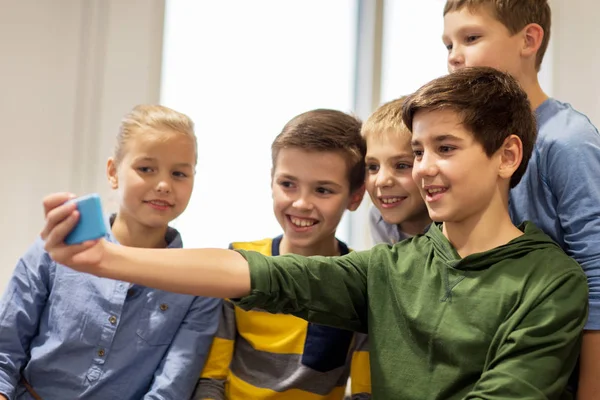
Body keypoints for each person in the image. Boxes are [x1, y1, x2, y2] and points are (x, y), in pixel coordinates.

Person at [40, 68, 588, 399]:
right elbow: (255, 273)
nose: (423, 169)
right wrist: (104, 259)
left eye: (445, 149)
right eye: (419, 151)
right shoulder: (392, 267)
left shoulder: (550, 282)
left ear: (507, 156)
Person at [0, 105, 221, 400]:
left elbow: (170, 389)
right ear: (113, 172)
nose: (164, 185)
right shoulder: (58, 249)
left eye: (180, 173)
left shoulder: (199, 284)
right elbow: (5, 349)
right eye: (146, 169)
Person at [442, 1, 600, 395]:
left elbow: (596, 275)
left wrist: (591, 390)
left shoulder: (566, 142)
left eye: (471, 38)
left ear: (528, 40)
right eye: (447, 45)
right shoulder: (471, 147)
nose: (454, 57)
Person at [193, 109, 371, 399]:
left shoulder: (362, 281)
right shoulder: (238, 262)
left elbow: (364, 394)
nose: (301, 203)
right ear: (271, 181)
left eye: (323, 190)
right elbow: (210, 379)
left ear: (355, 196)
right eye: (288, 184)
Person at [363, 96, 431, 245]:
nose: (382, 181)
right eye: (373, 167)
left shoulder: (452, 225)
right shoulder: (377, 216)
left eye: (401, 166)